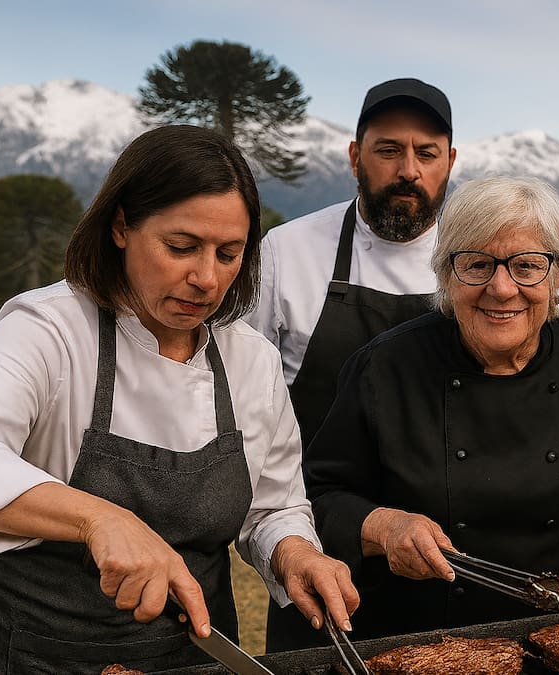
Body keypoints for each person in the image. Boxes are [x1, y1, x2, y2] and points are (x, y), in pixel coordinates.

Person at [0, 125, 358, 674]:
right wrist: (96, 518)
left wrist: (295, 551)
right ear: (121, 226)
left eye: (229, 254)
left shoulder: (252, 361)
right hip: (37, 655)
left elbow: (274, 506)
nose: (207, 278)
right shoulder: (49, 330)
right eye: (181, 247)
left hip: (195, 656)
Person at [304, 175, 559, 639]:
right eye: (477, 265)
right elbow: (321, 495)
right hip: (416, 642)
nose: (501, 288)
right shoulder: (382, 369)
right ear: (445, 274)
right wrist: (384, 526)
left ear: (558, 274)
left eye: (527, 265)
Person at [246, 77, 456, 650]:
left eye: (426, 153)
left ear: (450, 162)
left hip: (447, 554)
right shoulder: (287, 252)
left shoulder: (475, 262)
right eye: (388, 150)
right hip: (320, 547)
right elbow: (240, 398)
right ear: (354, 157)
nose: (408, 170)